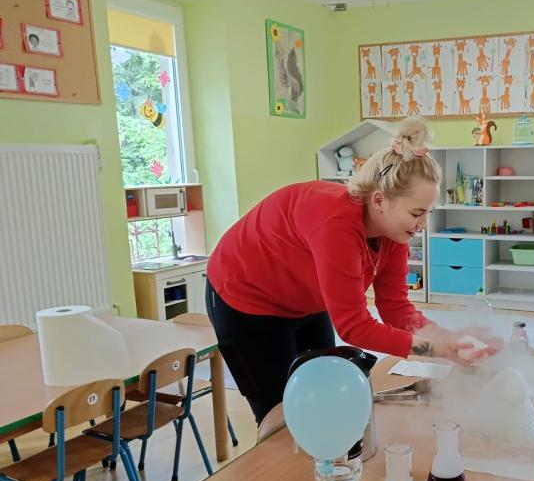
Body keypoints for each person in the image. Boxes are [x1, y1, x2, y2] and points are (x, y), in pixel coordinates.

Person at [205, 117, 495, 424]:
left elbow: (397, 308)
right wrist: (434, 349)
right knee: (280, 414)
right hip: (245, 300)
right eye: (416, 213)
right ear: (380, 200)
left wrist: (451, 340)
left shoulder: (394, 232)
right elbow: (354, 327)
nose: (423, 224)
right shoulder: (336, 225)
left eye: (428, 213)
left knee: (322, 393)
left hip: (303, 301)